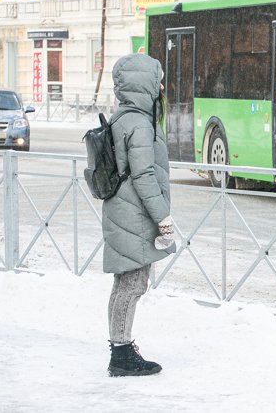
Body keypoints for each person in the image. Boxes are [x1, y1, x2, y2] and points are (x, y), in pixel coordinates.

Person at [103, 53, 176, 377]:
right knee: (133, 284)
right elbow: (145, 176)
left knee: (124, 284)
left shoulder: (123, 117)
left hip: (123, 208)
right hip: (135, 213)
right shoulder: (140, 124)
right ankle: (120, 354)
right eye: (158, 78)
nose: (162, 85)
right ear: (144, 82)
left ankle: (120, 347)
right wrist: (163, 217)